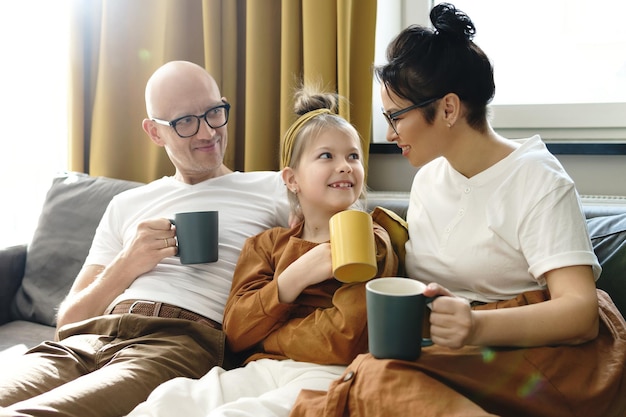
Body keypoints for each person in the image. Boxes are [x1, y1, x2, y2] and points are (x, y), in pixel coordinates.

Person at [288, 3, 626, 417]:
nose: (391, 134)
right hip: (456, 353)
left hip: (536, 352)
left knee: (374, 379)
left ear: (448, 109)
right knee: (364, 378)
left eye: (396, 117)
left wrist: (474, 324)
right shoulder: (430, 178)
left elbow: (580, 313)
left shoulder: (537, 181)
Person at [0, 60, 290, 417]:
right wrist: (127, 263)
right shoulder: (126, 205)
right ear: (154, 132)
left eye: (214, 112)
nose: (207, 133)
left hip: (179, 342)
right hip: (90, 339)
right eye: (185, 121)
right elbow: (67, 323)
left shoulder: (274, 188)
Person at [124, 87, 398, 417]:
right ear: (291, 179)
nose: (345, 166)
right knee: (169, 399)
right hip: (259, 369)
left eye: (353, 156)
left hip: (327, 375)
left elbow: (344, 338)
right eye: (327, 156)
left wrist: (267, 335)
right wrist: (292, 280)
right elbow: (237, 333)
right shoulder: (267, 244)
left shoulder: (369, 238)